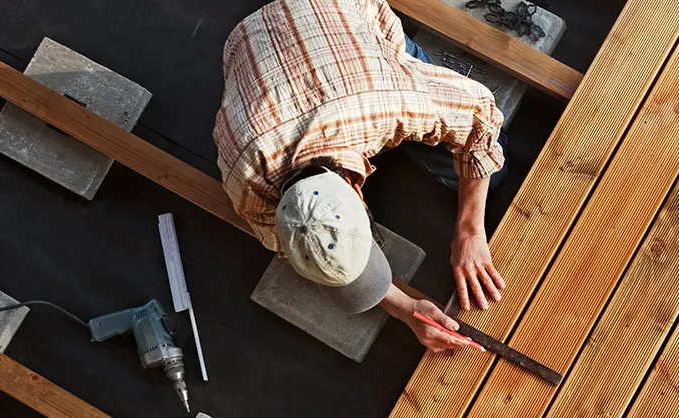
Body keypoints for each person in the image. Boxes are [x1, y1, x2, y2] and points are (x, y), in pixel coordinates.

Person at [214, 0, 508, 353]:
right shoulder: (243, 185)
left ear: (358, 188)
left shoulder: (389, 102)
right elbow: (290, 247)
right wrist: (408, 310)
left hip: (334, 13)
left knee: (487, 157)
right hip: (246, 41)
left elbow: (481, 117)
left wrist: (470, 232)